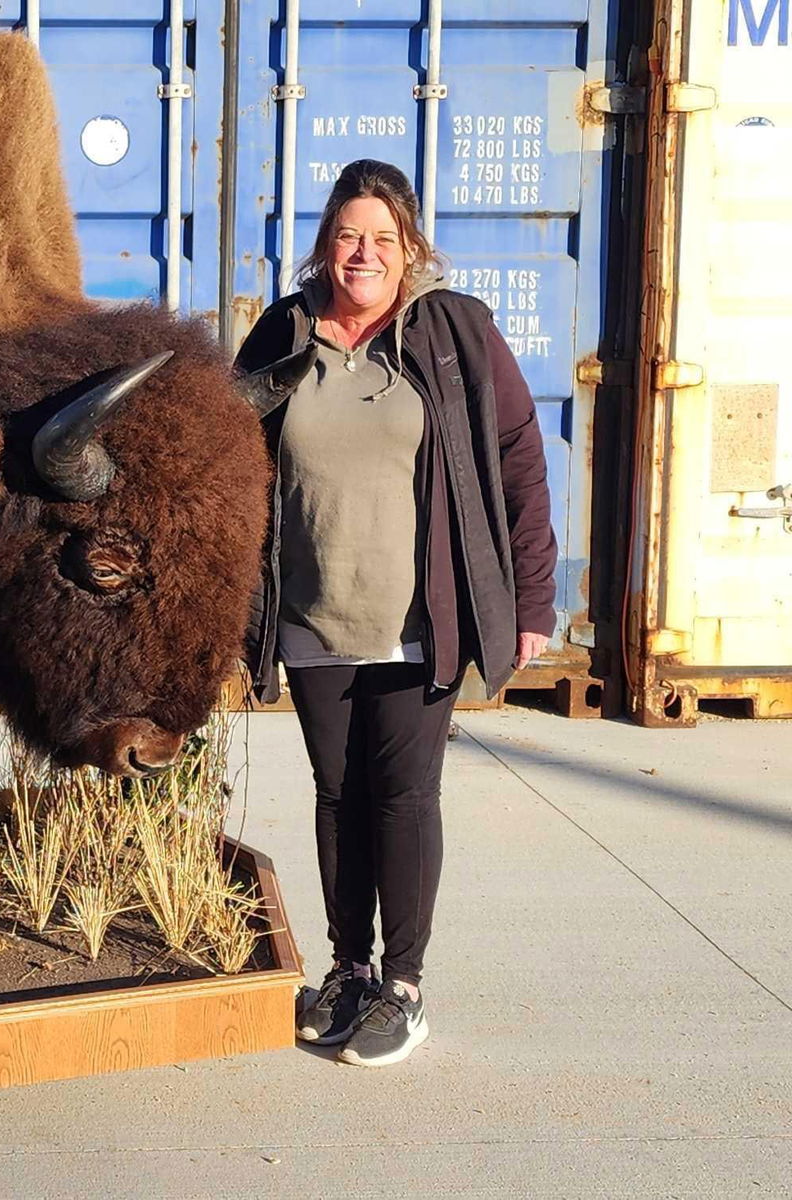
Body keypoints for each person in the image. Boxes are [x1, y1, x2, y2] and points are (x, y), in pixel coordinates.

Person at [235, 159, 556, 1067]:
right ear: (324, 246)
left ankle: (403, 987)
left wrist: (533, 598)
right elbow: (226, 464)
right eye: (348, 237)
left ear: (410, 247)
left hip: (423, 616)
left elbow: (520, 459)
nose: (363, 254)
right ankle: (348, 971)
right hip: (312, 613)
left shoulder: (454, 329)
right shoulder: (281, 334)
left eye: (382, 239)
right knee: (338, 797)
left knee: (405, 796)